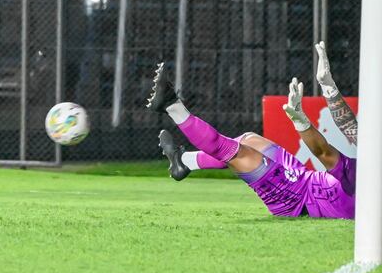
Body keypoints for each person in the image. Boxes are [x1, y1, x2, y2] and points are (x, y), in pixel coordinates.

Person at [147, 62, 354, 219]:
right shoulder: (367, 175)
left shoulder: (363, 182)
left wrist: (301, 122)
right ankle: (184, 161)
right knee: (250, 139)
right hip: (306, 178)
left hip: (296, 198)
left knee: (234, 152)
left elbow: (323, 152)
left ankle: (172, 106)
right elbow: (349, 129)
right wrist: (329, 87)